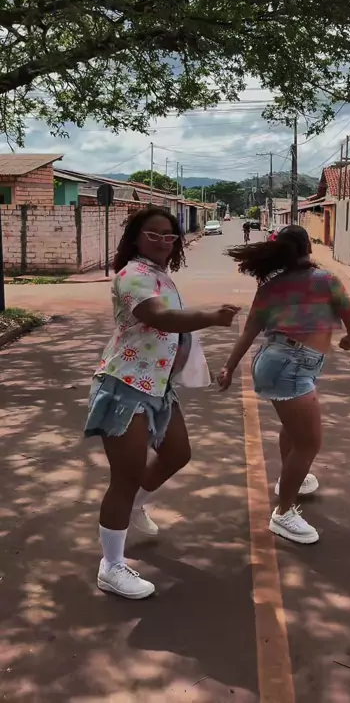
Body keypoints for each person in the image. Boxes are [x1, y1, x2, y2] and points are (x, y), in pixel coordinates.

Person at [85, 206, 240, 599]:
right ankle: (111, 567)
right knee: (125, 477)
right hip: (124, 387)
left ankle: (135, 506)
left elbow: (169, 329)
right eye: (153, 235)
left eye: (169, 236)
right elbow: (159, 317)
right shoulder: (132, 275)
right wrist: (210, 317)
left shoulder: (159, 275)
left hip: (156, 387)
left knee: (177, 453)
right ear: (136, 238)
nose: (162, 242)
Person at [218, 225, 350, 545]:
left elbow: (250, 329)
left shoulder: (272, 285)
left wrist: (229, 366)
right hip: (291, 366)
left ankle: (289, 480)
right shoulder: (325, 280)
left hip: (277, 361)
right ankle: (283, 513)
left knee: (294, 430)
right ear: (308, 248)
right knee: (309, 443)